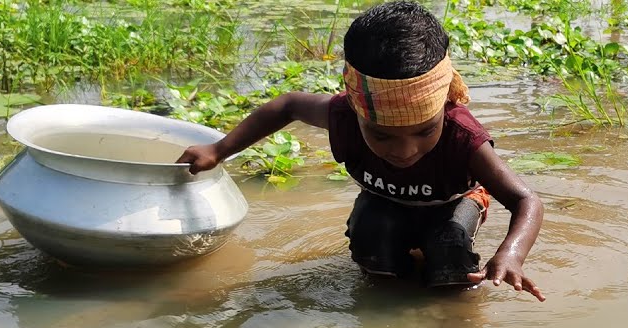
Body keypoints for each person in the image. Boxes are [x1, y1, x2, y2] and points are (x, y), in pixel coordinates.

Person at [177, 0, 545, 301]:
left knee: (449, 258)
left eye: (423, 131)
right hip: (385, 203)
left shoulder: (463, 138)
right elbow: (287, 105)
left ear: (442, 112)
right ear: (358, 111)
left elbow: (527, 202)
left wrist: (511, 253)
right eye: (383, 136)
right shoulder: (342, 117)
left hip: (451, 204)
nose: (404, 150)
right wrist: (219, 149)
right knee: (374, 247)